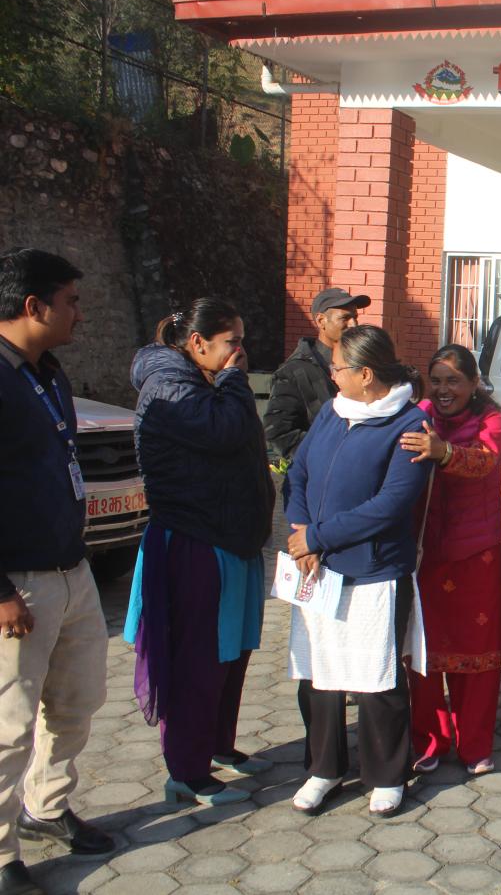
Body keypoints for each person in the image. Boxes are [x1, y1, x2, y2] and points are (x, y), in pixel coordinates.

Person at [125, 298, 276, 808]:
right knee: (200, 659)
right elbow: (225, 431)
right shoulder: (169, 383)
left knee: (231, 652)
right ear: (197, 342)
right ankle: (187, 771)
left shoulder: (202, 380)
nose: (240, 352)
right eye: (232, 342)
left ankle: (216, 744)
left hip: (231, 540)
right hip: (197, 541)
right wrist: (233, 379)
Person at [0, 249, 114, 895]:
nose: (80, 313)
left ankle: (46, 806)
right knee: (9, 726)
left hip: (72, 571)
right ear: (32, 305)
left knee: (76, 702)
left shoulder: (46, 372)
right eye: (70, 301)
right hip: (19, 585)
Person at [284, 325, 432, 818]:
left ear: (366, 374)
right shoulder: (333, 411)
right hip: (318, 568)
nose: (332, 375)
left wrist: (319, 537)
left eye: (338, 368)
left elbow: (390, 504)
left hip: (374, 571)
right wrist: (301, 530)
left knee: (376, 677)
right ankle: (323, 768)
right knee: (319, 673)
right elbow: (299, 472)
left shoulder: (408, 423)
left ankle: (388, 775)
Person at [398, 344, 501, 778]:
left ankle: (474, 745)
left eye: (454, 381)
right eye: (437, 381)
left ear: (474, 383)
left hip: (476, 555)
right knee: (424, 653)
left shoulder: (492, 420)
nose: (444, 390)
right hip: (425, 553)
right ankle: (428, 740)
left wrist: (443, 452)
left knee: (477, 656)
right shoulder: (420, 415)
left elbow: (484, 461)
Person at [263, 287, 368, 460]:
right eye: (345, 318)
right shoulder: (294, 372)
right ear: (321, 321)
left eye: (355, 317)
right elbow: (279, 433)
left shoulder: (363, 363)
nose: (353, 324)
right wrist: (324, 456)